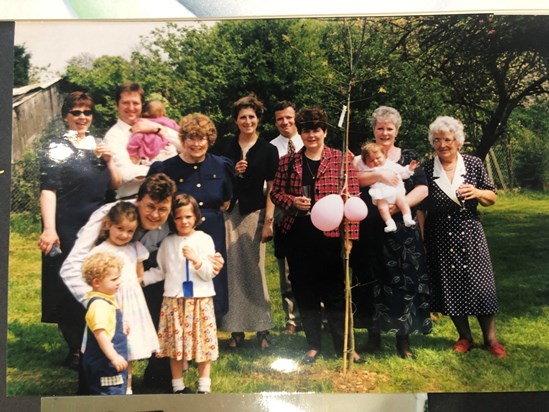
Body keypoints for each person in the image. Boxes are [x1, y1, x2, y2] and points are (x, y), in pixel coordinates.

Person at [60, 173, 224, 393]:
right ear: (138, 199)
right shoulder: (109, 216)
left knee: (159, 315)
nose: (156, 215)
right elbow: (71, 267)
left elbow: (189, 242)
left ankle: (160, 374)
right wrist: (98, 304)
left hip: (139, 280)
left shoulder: (169, 223)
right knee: (97, 372)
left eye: (163, 209)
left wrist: (211, 261)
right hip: (101, 285)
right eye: (150, 207)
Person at [270, 107, 364, 364]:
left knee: (335, 291)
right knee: (305, 289)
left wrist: (350, 238)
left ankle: (344, 346)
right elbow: (275, 193)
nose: (311, 135)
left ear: (324, 131)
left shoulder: (341, 159)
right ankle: (313, 345)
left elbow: (352, 199)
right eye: (306, 130)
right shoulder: (287, 161)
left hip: (331, 234)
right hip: (298, 233)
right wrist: (291, 202)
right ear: (301, 133)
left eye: (316, 130)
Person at [38, 91, 120, 370]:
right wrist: (50, 229)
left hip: (97, 223)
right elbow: (48, 189)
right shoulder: (56, 146)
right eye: (76, 112)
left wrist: (110, 160)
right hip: (67, 223)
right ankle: (75, 348)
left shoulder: (99, 145)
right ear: (65, 116)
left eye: (87, 112)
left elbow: (114, 186)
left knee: (98, 280)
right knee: (67, 282)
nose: (82, 117)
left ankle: (99, 339)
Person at [417, 116, 506, 358]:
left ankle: (491, 340)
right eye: (437, 140)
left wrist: (477, 192)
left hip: (470, 231)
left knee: (481, 284)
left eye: (447, 139)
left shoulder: (474, 164)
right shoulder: (426, 168)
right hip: (439, 235)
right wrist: (422, 240)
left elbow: (492, 198)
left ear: (458, 141)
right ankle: (464, 337)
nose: (442, 144)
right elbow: (421, 209)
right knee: (450, 285)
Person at [350, 106, 432, 359]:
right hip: (370, 228)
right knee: (371, 280)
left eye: (389, 128)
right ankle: (372, 338)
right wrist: (377, 173)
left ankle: (403, 342)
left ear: (397, 130)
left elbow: (423, 188)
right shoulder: (362, 157)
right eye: (380, 128)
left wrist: (399, 204)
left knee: (403, 281)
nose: (385, 133)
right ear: (373, 129)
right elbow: (352, 180)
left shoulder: (408, 156)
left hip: (402, 231)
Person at [148, 112, 233, 319]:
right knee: (177, 275)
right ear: (183, 139)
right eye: (191, 138)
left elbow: (227, 198)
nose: (196, 144)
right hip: (177, 230)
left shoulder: (221, 166)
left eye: (201, 138)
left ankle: (206, 328)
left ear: (209, 140)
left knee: (210, 274)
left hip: (211, 230)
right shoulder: (166, 168)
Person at [211, 94, 278, 349]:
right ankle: (235, 329)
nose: (247, 121)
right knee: (232, 270)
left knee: (256, 269)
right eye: (242, 117)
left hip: (255, 213)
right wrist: (231, 173)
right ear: (236, 121)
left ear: (258, 119)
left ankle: (262, 328)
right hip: (229, 213)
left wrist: (268, 221)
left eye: (251, 117)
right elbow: (214, 176)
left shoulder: (268, 149)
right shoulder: (226, 146)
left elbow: (272, 187)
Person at [143, 194, 219, 394]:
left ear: (196, 217)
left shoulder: (204, 239)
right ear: (172, 219)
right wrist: (140, 279)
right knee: (174, 346)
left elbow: (209, 273)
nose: (184, 221)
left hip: (200, 300)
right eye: (178, 217)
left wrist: (196, 260)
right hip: (174, 301)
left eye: (188, 217)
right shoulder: (168, 242)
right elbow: (161, 271)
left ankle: (204, 386)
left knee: (202, 344)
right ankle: (178, 386)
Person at [88, 201, 159, 394]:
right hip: (111, 302)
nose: (124, 235)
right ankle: (111, 383)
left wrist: (135, 281)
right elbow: (92, 279)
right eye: (120, 229)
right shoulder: (100, 250)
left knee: (131, 346)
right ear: (108, 224)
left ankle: (126, 387)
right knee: (113, 341)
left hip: (132, 301)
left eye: (129, 231)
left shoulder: (133, 247)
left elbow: (138, 271)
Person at [103, 82, 182, 199]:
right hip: (132, 200)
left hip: (165, 199)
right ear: (117, 105)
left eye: (135, 103)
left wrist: (157, 129)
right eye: (125, 103)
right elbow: (126, 174)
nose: (131, 108)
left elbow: (185, 147)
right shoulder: (113, 136)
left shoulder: (155, 124)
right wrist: (167, 168)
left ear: (141, 105)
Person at [269, 101, 304, 335]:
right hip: (283, 212)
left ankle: (316, 315)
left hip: (312, 213)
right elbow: (268, 186)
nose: (285, 122)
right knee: (288, 271)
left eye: (289, 117)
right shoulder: (270, 149)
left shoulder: (311, 140)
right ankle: (292, 319)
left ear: (296, 118)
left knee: (312, 267)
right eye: (280, 118)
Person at [81, 252, 128, 395]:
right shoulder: (99, 305)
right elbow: (100, 334)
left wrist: (122, 323)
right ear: (97, 282)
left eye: (119, 277)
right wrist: (114, 356)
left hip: (110, 362)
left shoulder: (107, 298)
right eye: (114, 279)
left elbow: (109, 323)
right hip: (105, 363)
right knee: (108, 395)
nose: (118, 282)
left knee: (116, 390)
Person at [354, 142, 419, 232]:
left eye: (378, 158)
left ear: (384, 156)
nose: (375, 161)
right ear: (366, 163)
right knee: (382, 208)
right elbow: (356, 172)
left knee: (403, 202)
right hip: (381, 195)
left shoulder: (391, 165)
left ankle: (407, 218)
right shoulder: (368, 170)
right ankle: (390, 223)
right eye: (371, 160)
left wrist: (410, 169)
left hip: (396, 191)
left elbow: (404, 173)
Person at [127, 99, 179, 165]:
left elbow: (135, 140)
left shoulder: (141, 122)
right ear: (162, 111)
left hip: (147, 157)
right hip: (164, 150)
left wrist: (132, 154)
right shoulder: (166, 121)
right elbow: (179, 130)